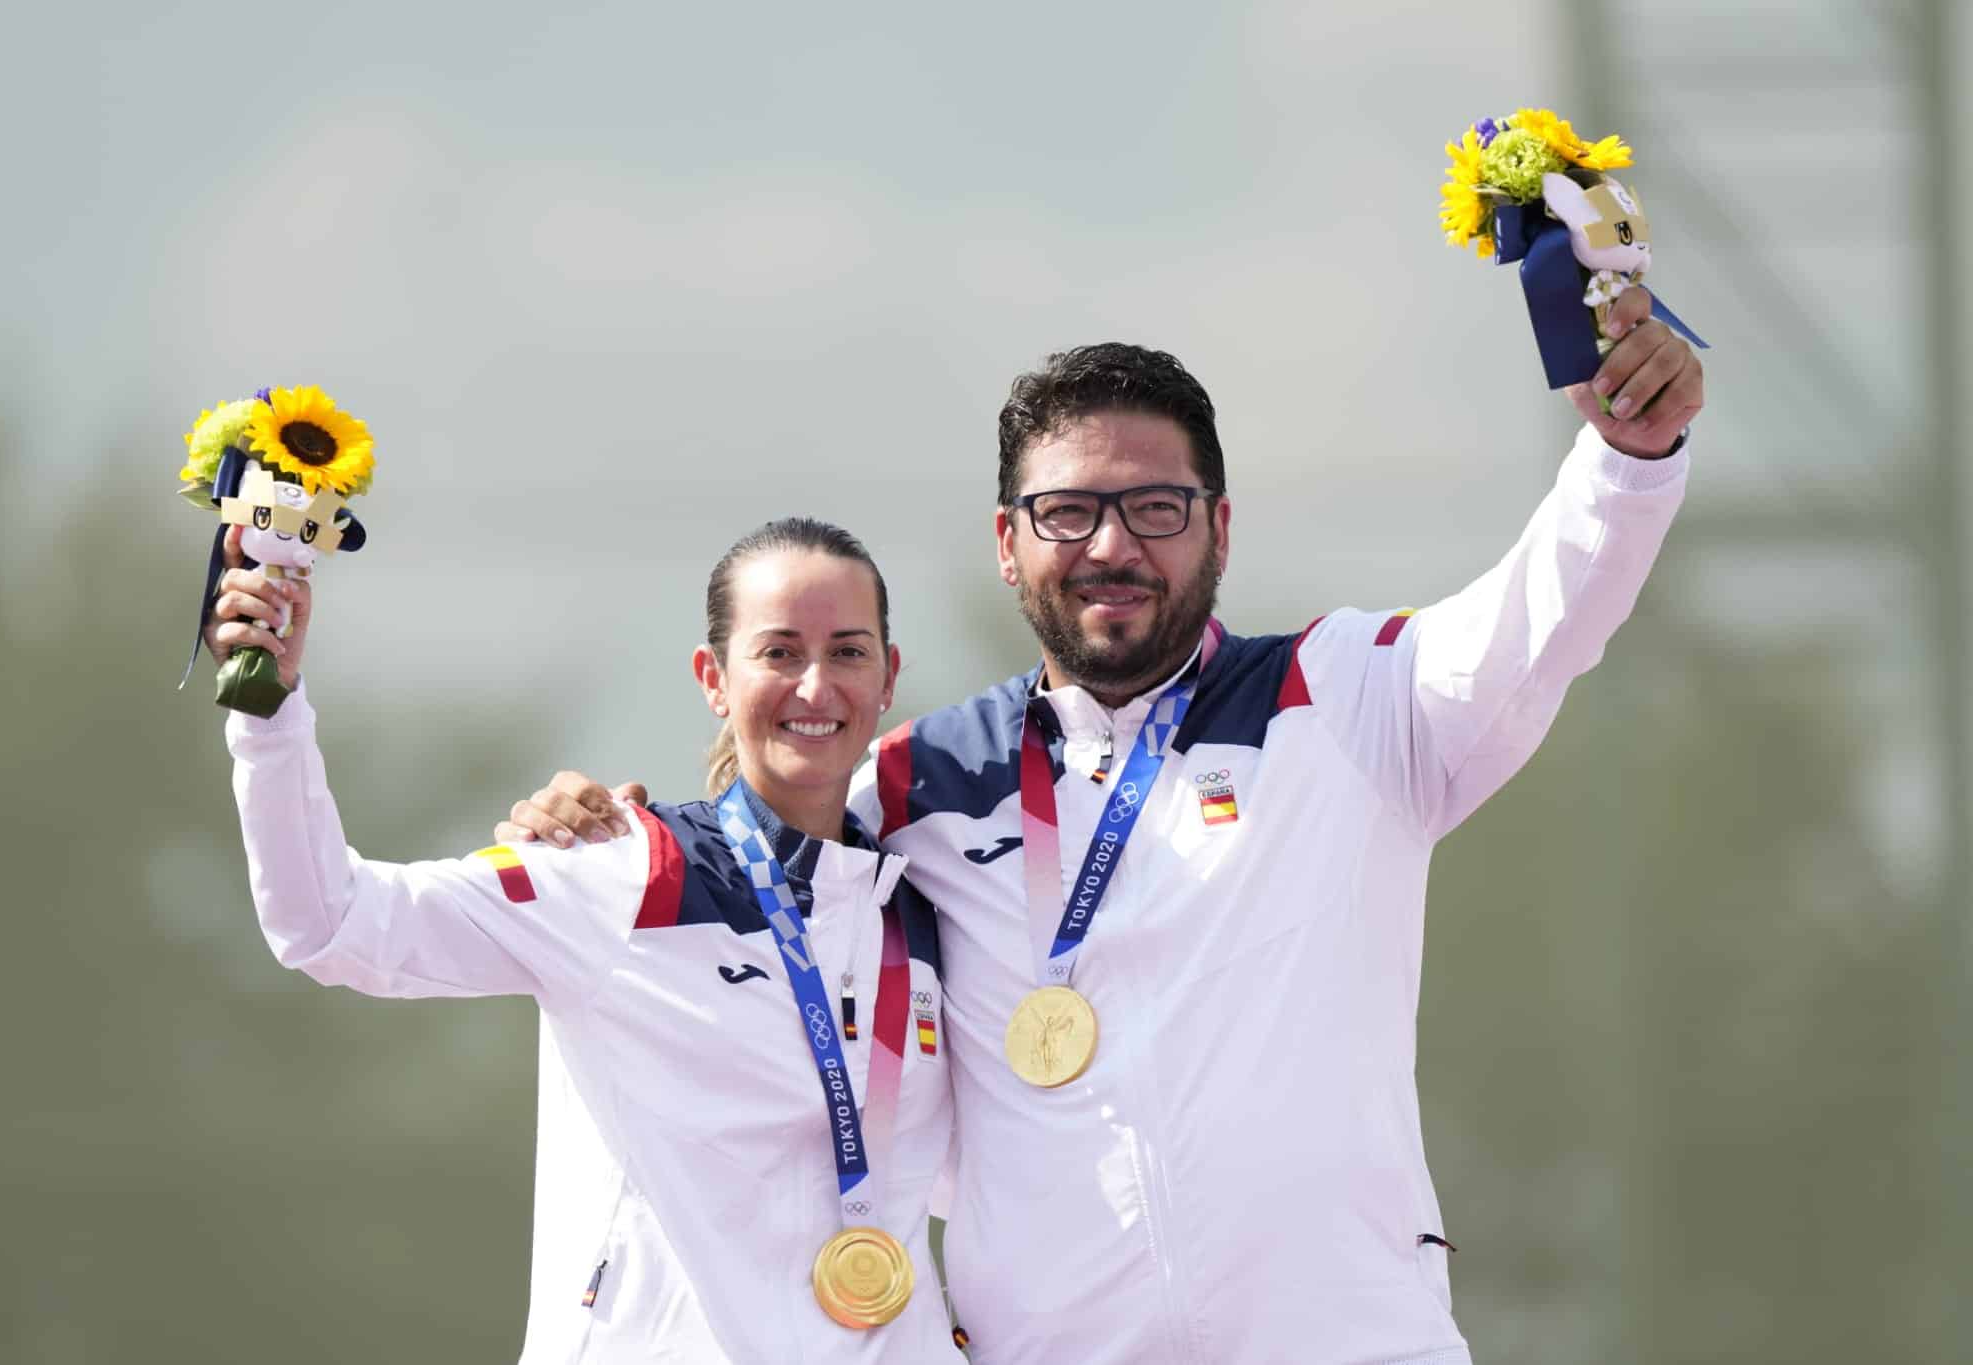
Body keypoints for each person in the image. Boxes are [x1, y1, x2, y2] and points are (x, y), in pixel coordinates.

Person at [505, 288, 1704, 1363]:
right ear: (1007, 543)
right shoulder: (914, 780)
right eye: (1068, 512)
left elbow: (1548, 608)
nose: (1113, 547)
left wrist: (1628, 458)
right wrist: (597, 824)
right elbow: (758, 851)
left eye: (1155, 508)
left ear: (1219, 528)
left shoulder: (1347, 700)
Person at [207, 516, 964, 1364]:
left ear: (889, 674)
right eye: (780, 652)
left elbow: (980, 1174)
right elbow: (329, 920)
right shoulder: (623, 871)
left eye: (849, 651)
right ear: (714, 678)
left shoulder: (922, 915)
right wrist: (269, 715)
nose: (816, 686)